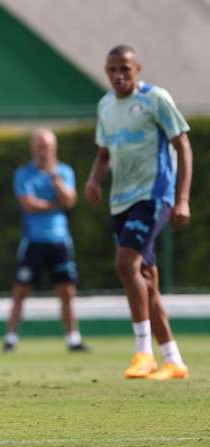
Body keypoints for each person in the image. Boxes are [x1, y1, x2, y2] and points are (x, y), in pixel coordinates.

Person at [85, 45, 193, 380]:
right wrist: (93, 180)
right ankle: (174, 360)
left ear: (138, 69)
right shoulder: (105, 105)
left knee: (125, 264)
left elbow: (183, 146)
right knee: (146, 280)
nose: (118, 76)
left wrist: (182, 198)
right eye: (112, 70)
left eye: (125, 69)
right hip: (121, 200)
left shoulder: (156, 99)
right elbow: (104, 154)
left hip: (153, 195)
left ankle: (143, 353)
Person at [3, 129, 88, 353]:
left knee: (67, 292)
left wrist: (54, 178)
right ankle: (10, 338)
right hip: (33, 241)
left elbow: (70, 200)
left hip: (59, 241)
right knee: (21, 291)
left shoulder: (64, 171)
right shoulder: (24, 173)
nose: (43, 150)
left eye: (47, 146)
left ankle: (73, 338)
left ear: (54, 148)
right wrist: (54, 205)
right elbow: (28, 204)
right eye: (40, 146)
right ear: (33, 147)